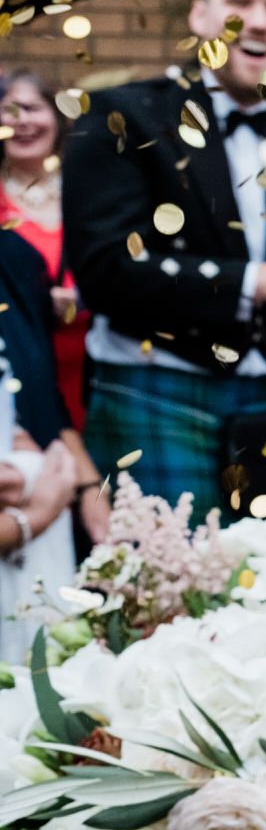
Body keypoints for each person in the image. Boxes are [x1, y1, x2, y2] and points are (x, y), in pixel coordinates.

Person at [63, 0, 266, 523]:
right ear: (199, 18)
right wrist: (263, 281)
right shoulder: (123, 115)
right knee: (165, 604)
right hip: (154, 391)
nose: (257, 21)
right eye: (238, 0)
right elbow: (105, 271)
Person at [0, 229, 102, 663]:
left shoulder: (14, 258)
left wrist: (87, 485)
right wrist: (35, 516)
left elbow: (35, 397)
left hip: (34, 575)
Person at [0, 74, 89, 431]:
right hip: (18, 365)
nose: (21, 121)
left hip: (86, 363)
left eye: (33, 108)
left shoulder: (89, 192)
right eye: (9, 111)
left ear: (57, 118)